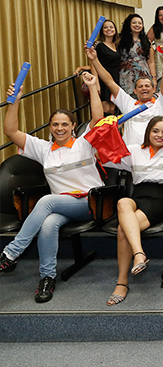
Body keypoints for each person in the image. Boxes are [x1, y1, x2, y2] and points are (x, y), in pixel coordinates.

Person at [1, 72, 103, 302]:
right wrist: (15, 102)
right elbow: (11, 132)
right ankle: (47, 278)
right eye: (55, 124)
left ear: (73, 126)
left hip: (89, 202)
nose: (59, 128)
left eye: (64, 124)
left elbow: (97, 119)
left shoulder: (85, 143)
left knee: (46, 201)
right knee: (47, 225)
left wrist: (94, 87)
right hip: (59, 208)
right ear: (50, 127)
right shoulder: (43, 149)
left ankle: (11, 253)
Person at [105, 115, 163, 306]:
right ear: (148, 132)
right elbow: (107, 157)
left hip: (160, 200)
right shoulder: (134, 150)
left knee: (122, 230)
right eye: (155, 131)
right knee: (123, 203)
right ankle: (139, 253)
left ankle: (122, 282)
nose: (159, 135)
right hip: (137, 197)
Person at [87, 46, 163, 145]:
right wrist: (94, 59)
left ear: (154, 89)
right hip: (131, 156)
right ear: (135, 91)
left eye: (147, 86)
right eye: (140, 86)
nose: (144, 88)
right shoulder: (128, 103)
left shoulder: (161, 104)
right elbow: (109, 82)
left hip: (157, 155)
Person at [118, 13, 156, 96]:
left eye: (140, 23)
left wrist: (154, 78)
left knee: (144, 97)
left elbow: (151, 61)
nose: (137, 25)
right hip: (126, 76)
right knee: (129, 99)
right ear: (129, 24)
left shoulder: (146, 41)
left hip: (143, 74)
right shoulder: (120, 39)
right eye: (134, 22)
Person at [146, 6, 163, 84]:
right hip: (161, 59)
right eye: (160, 15)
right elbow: (147, 42)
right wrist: (153, 52)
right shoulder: (155, 28)